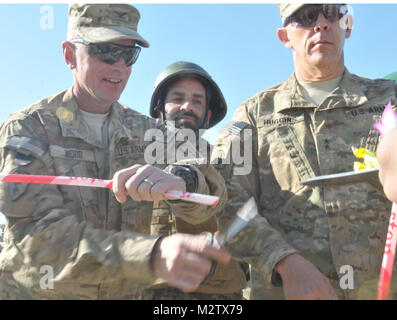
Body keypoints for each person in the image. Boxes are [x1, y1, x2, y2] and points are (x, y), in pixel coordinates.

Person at [0, 4, 230, 299]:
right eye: (104, 51)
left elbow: (213, 186)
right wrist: (150, 255)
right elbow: (37, 239)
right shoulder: (28, 128)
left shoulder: (150, 132)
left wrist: (183, 180)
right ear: (70, 55)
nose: (119, 67)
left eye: (129, 53)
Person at [212, 3, 397, 299]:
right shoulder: (254, 113)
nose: (322, 24)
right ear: (285, 37)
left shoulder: (389, 102)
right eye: (307, 16)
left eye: (331, 12)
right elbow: (225, 197)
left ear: (347, 25)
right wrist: (284, 260)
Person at [126, 61, 246, 299]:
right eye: (177, 98)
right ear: (159, 110)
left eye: (197, 101)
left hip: (220, 296)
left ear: (209, 113)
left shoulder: (228, 164)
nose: (187, 106)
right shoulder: (134, 164)